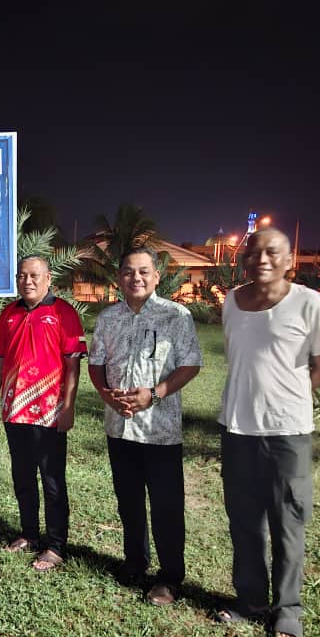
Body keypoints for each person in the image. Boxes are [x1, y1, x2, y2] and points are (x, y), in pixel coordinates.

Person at [218, 227, 320, 637]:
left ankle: (287, 609)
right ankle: (250, 601)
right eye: (253, 252)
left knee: (288, 522)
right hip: (237, 429)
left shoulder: (309, 303)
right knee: (243, 522)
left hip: (287, 434)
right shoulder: (231, 302)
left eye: (272, 252)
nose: (262, 259)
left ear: (290, 260)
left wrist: (291, 395)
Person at [88, 248, 202, 605]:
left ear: (156, 276)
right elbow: (96, 362)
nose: (135, 278)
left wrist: (155, 393)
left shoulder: (176, 316)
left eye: (143, 271)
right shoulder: (108, 318)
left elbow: (191, 364)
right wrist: (106, 395)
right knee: (129, 501)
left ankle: (169, 577)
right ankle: (135, 562)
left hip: (160, 429)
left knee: (166, 506)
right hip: (119, 426)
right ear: (118, 277)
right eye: (128, 271)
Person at [0, 255, 86, 572]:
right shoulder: (9, 313)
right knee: (22, 477)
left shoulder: (63, 313)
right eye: (21, 276)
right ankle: (29, 534)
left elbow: (73, 364)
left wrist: (68, 407)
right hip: (15, 410)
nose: (27, 281)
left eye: (33, 275)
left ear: (48, 279)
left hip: (49, 412)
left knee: (52, 481)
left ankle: (55, 546)